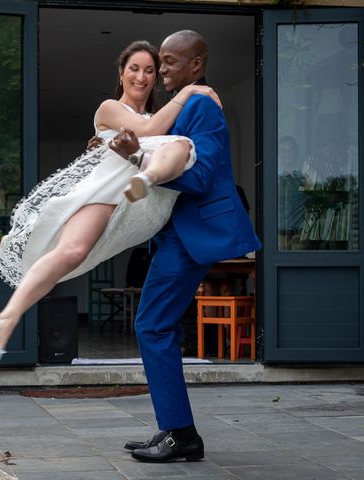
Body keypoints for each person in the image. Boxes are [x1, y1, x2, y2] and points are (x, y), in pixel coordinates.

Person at [0, 41, 220, 364]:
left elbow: (161, 132)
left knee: (181, 145)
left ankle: (147, 176)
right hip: (105, 193)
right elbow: (147, 128)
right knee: (72, 252)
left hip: (141, 199)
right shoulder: (110, 108)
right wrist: (190, 92)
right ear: (121, 74)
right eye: (134, 68)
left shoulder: (161, 121)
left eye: (149, 70)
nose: (141, 77)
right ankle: (4, 320)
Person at [108, 30, 262, 463]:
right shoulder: (175, 110)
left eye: (172, 62)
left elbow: (201, 176)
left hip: (191, 237)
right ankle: (173, 430)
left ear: (197, 65)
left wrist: (139, 162)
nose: (164, 69)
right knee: (162, 327)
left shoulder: (201, 106)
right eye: (163, 61)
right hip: (174, 235)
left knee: (151, 326)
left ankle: (181, 435)